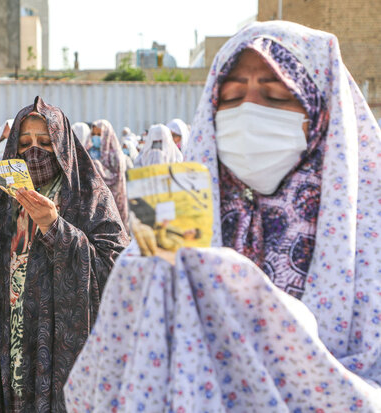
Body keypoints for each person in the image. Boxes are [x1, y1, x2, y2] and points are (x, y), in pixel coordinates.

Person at [64, 21, 381, 411]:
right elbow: (92, 388)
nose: (249, 112)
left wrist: (265, 315)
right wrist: (137, 294)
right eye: (230, 97)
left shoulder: (369, 237)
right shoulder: (173, 227)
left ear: (321, 113)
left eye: (277, 96)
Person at [0, 97, 129, 411]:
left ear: (62, 145)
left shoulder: (89, 197)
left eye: (45, 142)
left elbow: (116, 270)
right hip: (2, 345)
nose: (34, 150)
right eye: (25, 142)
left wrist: (55, 227)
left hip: (58, 346)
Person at [87, 119, 129, 231]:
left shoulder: (116, 155)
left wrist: (98, 168)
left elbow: (116, 177)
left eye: (99, 134)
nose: (95, 137)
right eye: (94, 134)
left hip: (113, 199)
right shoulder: (90, 150)